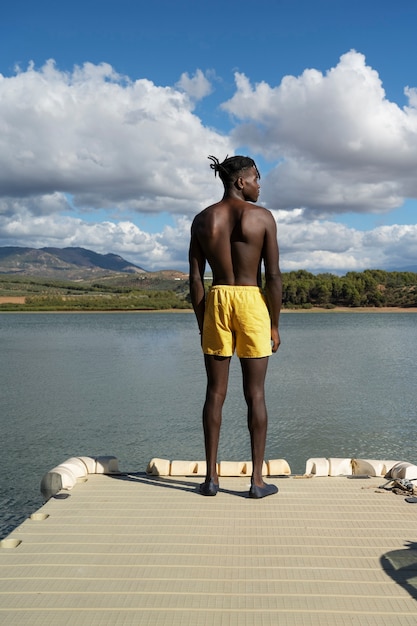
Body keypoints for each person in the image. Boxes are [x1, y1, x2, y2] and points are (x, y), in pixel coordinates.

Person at [188, 155, 282, 498]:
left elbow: (196, 279)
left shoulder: (202, 219)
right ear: (240, 181)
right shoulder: (262, 218)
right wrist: (274, 324)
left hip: (216, 301)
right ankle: (256, 482)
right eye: (256, 179)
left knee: (215, 392)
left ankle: (210, 480)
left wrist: (203, 323)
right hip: (250, 301)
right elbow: (272, 276)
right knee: (255, 394)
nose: (259, 185)